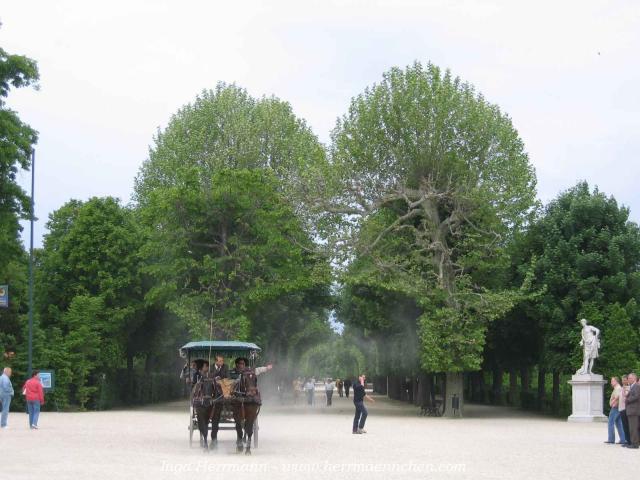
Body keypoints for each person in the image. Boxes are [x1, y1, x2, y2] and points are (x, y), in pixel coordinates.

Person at [605, 377, 626, 444]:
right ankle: (623, 439)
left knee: (610, 422)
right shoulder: (618, 388)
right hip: (618, 408)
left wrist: (613, 403)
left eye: (612, 381)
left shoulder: (617, 388)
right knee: (619, 424)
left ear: (616, 381)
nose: (611, 382)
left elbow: (618, 397)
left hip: (615, 408)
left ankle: (611, 439)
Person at [624, 372, 639, 449]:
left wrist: (627, 400)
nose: (628, 379)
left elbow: (636, 396)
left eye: (630, 378)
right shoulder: (632, 386)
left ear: (634, 378)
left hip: (634, 410)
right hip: (631, 410)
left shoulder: (636, 386)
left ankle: (635, 444)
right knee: (632, 428)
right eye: (628, 378)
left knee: (633, 428)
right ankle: (633, 442)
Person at [619, 375, 631, 446]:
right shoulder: (622, 388)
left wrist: (624, 389)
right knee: (624, 426)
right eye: (622, 380)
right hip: (621, 408)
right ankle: (627, 440)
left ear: (627, 380)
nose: (623, 381)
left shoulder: (628, 388)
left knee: (626, 425)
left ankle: (629, 441)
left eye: (624, 380)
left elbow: (626, 396)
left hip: (625, 409)